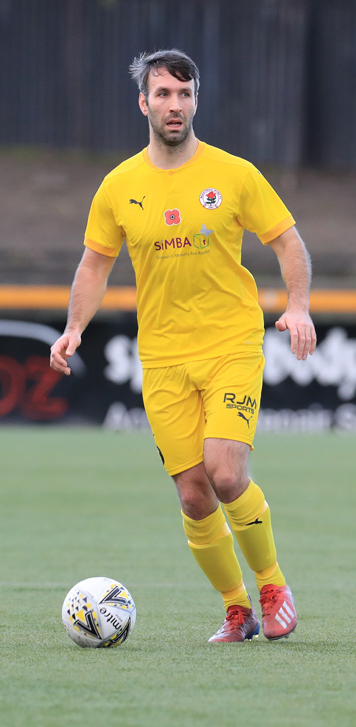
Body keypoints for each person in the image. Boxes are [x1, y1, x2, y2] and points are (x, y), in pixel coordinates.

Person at [50, 49, 317, 643]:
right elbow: (95, 264)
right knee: (195, 495)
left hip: (231, 344)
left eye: (184, 93)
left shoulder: (234, 174)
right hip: (163, 358)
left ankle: (272, 585)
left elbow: (288, 242)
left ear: (197, 101)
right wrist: (74, 327)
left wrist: (297, 306)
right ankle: (236, 609)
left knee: (225, 473)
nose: (175, 105)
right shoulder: (119, 186)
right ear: (143, 103)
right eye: (163, 94)